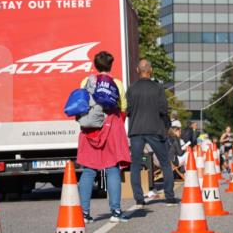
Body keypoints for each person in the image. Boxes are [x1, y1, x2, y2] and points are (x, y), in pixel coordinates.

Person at [76, 51, 131, 222]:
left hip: (90, 129)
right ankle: (115, 212)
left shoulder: (86, 81)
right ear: (111, 65)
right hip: (111, 127)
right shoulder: (117, 84)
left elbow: (81, 103)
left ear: (95, 65)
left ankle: (84, 213)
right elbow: (123, 108)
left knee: (88, 170)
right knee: (112, 168)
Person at [125, 59, 178, 205]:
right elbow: (163, 110)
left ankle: (139, 198)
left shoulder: (131, 89)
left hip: (136, 130)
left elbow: (128, 111)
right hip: (155, 129)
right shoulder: (158, 88)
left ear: (137, 70)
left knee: (135, 164)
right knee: (165, 162)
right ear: (151, 70)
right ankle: (169, 196)